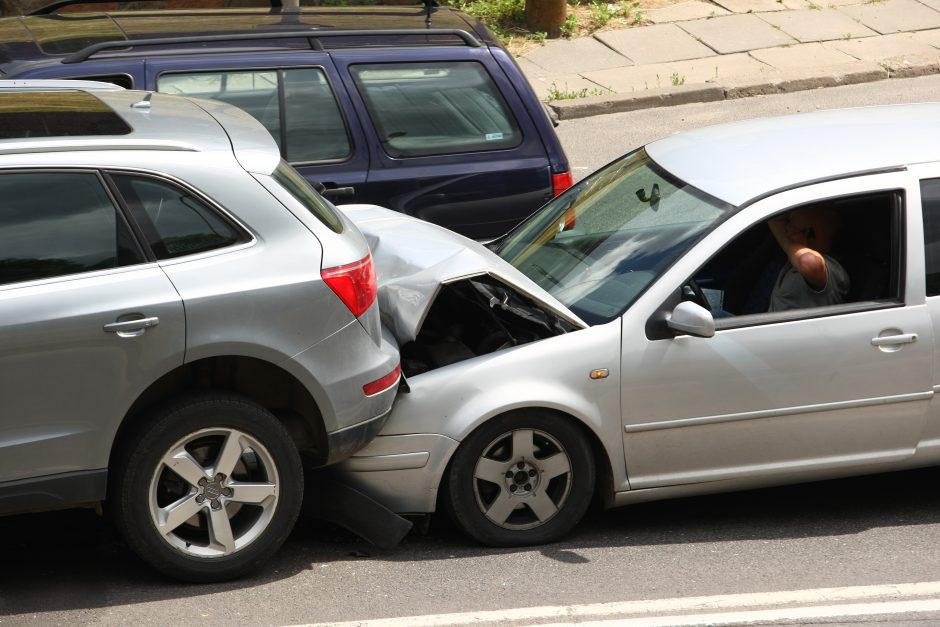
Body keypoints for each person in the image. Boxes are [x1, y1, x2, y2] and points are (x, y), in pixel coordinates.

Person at [766, 204, 850, 312]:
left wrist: (789, 246)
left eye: (793, 228)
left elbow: (809, 263)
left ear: (811, 235)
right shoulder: (796, 256)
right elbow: (774, 220)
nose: (785, 231)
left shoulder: (833, 270)